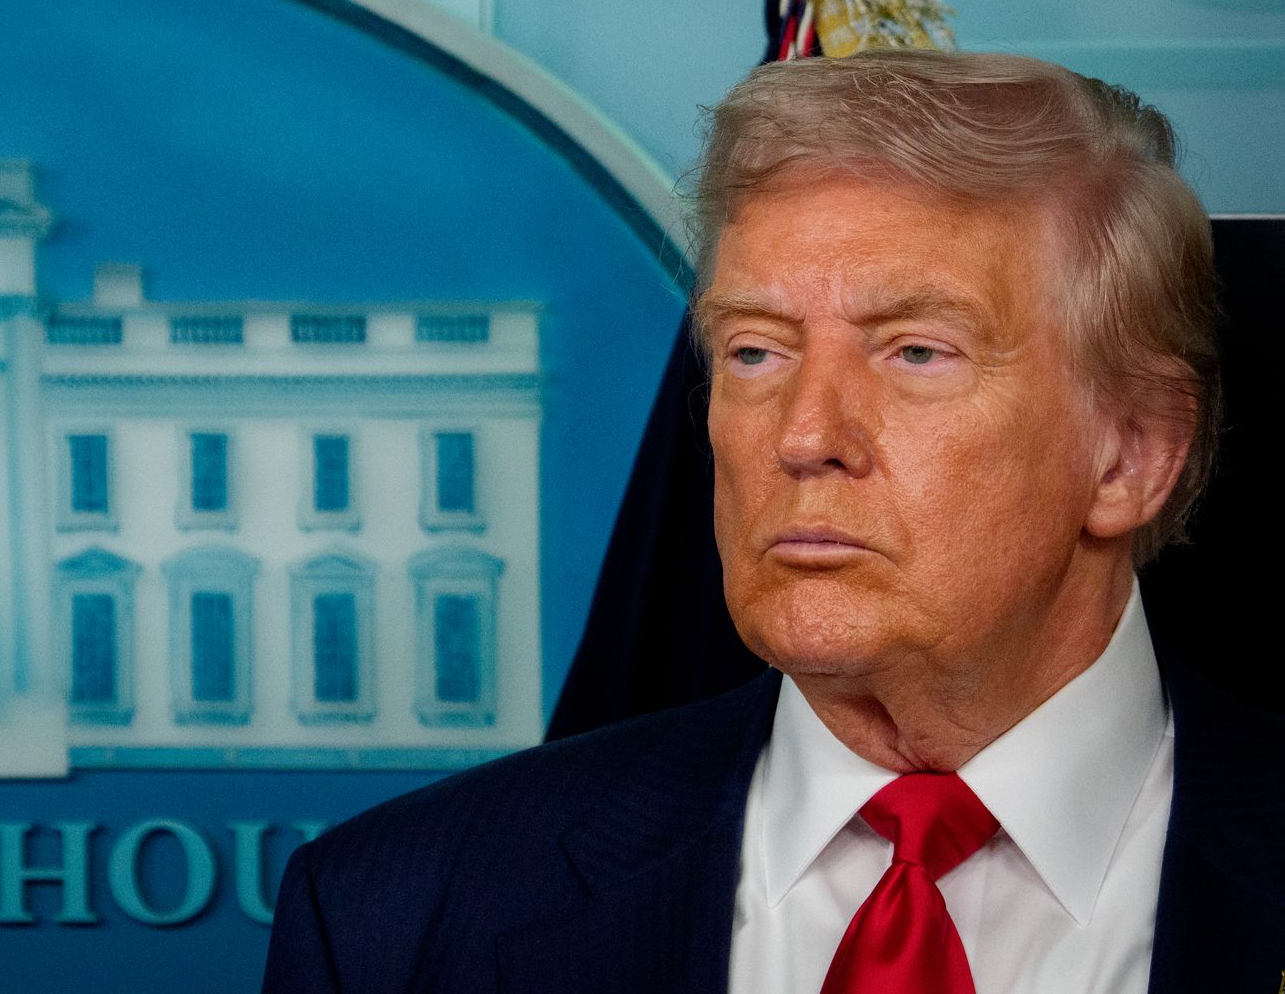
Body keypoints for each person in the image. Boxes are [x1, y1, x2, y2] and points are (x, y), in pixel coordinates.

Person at [260, 51, 1285, 993]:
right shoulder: (393, 916)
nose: (804, 435)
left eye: (915, 353)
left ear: (1134, 454)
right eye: (755, 352)